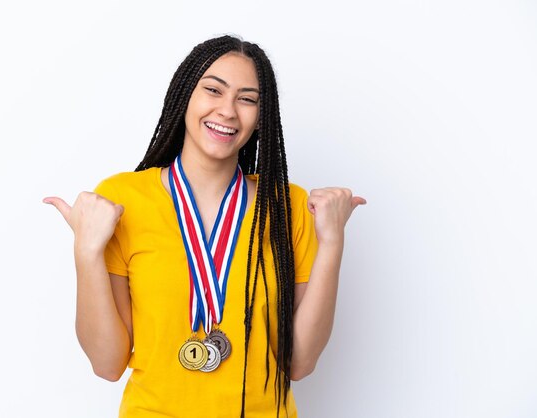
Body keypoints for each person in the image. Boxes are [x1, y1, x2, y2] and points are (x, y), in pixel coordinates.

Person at [44, 35, 365, 418]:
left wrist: (332, 243)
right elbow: (106, 364)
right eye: (213, 90)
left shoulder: (289, 207)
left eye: (247, 99)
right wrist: (86, 251)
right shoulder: (121, 200)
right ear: (185, 96)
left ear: (262, 118)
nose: (228, 110)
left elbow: (299, 363)